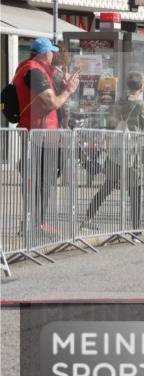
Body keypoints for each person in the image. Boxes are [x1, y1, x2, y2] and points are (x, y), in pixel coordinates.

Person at [12, 38, 81, 234]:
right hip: (39, 136)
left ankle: (36, 223)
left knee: (45, 178)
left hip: (44, 135)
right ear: (44, 54)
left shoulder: (32, 69)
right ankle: (33, 225)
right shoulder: (34, 71)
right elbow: (52, 103)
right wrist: (68, 91)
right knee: (39, 180)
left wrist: (64, 86)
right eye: (51, 52)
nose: (53, 55)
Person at [82, 71, 144, 239]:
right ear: (142, 86)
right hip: (134, 152)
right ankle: (136, 230)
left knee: (108, 185)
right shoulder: (140, 105)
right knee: (135, 190)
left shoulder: (118, 103)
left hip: (117, 149)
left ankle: (88, 216)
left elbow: (111, 123)